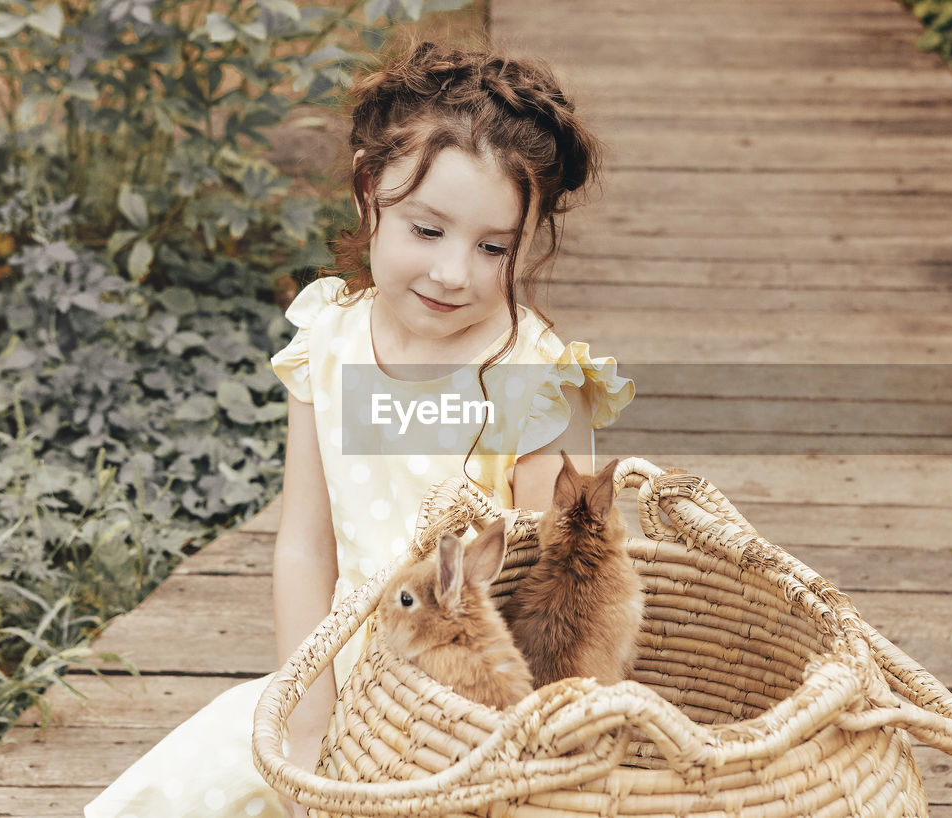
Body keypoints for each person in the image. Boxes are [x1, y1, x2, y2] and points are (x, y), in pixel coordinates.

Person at [83, 40, 633, 818]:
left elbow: (554, 593)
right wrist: (307, 721)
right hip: (336, 681)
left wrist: (509, 747)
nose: (453, 273)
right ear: (369, 191)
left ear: (531, 237)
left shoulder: (536, 382)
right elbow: (305, 544)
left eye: (492, 247)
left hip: (472, 713)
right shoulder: (329, 343)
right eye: (427, 230)